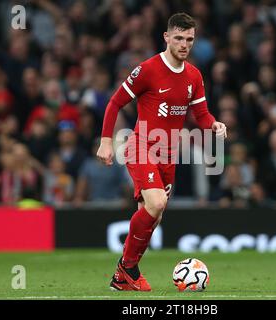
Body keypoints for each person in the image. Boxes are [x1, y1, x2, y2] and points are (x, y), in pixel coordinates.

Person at [97, 13, 227, 291]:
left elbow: (201, 114)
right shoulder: (147, 69)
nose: (184, 44)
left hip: (169, 155)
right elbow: (114, 103)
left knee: (153, 215)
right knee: (155, 204)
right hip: (141, 146)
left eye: (189, 39)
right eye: (178, 38)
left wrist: (213, 123)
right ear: (166, 37)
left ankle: (123, 276)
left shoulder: (194, 75)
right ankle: (127, 268)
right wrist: (106, 141)